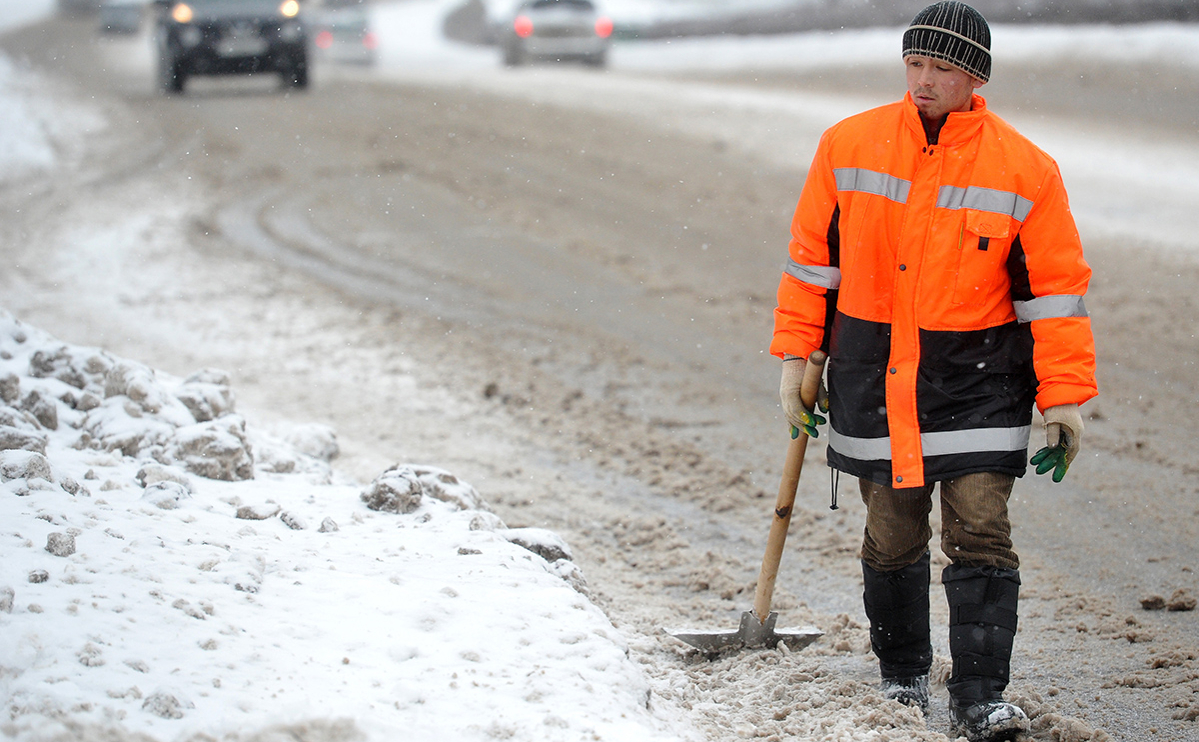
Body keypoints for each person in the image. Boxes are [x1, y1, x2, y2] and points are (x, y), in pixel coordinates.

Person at [770, 3, 1098, 741]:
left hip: (978, 379)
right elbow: (809, 266)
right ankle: (902, 680)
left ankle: (980, 695)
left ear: (973, 76)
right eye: (914, 63)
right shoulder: (846, 145)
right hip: (872, 371)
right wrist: (798, 354)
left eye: (941, 67)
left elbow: (1054, 298)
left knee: (980, 532)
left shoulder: (1024, 169)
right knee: (891, 536)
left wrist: (1065, 398)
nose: (922, 80)